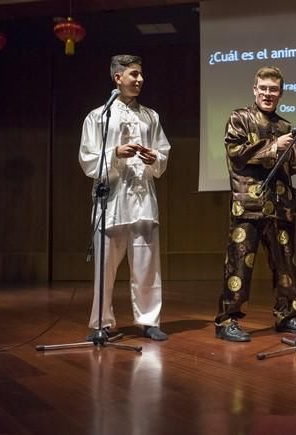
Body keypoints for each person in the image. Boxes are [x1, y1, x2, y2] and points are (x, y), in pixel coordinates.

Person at [214, 66, 296, 342]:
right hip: (248, 203)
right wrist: (273, 146)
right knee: (238, 265)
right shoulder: (239, 118)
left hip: (280, 205)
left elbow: (290, 170)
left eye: (274, 89)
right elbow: (236, 154)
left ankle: (287, 316)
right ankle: (227, 321)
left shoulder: (285, 126)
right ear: (255, 89)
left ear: (280, 93)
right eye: (264, 88)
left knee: (285, 267)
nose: (268, 94)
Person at [79, 54, 171, 341]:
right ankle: (101, 322)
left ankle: (148, 319)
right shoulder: (98, 116)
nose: (140, 79)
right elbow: (86, 159)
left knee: (146, 264)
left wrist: (154, 156)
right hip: (113, 202)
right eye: (134, 74)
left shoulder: (150, 116)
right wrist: (115, 154)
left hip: (143, 199)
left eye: (141, 74)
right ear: (117, 78)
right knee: (105, 266)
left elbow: (163, 152)